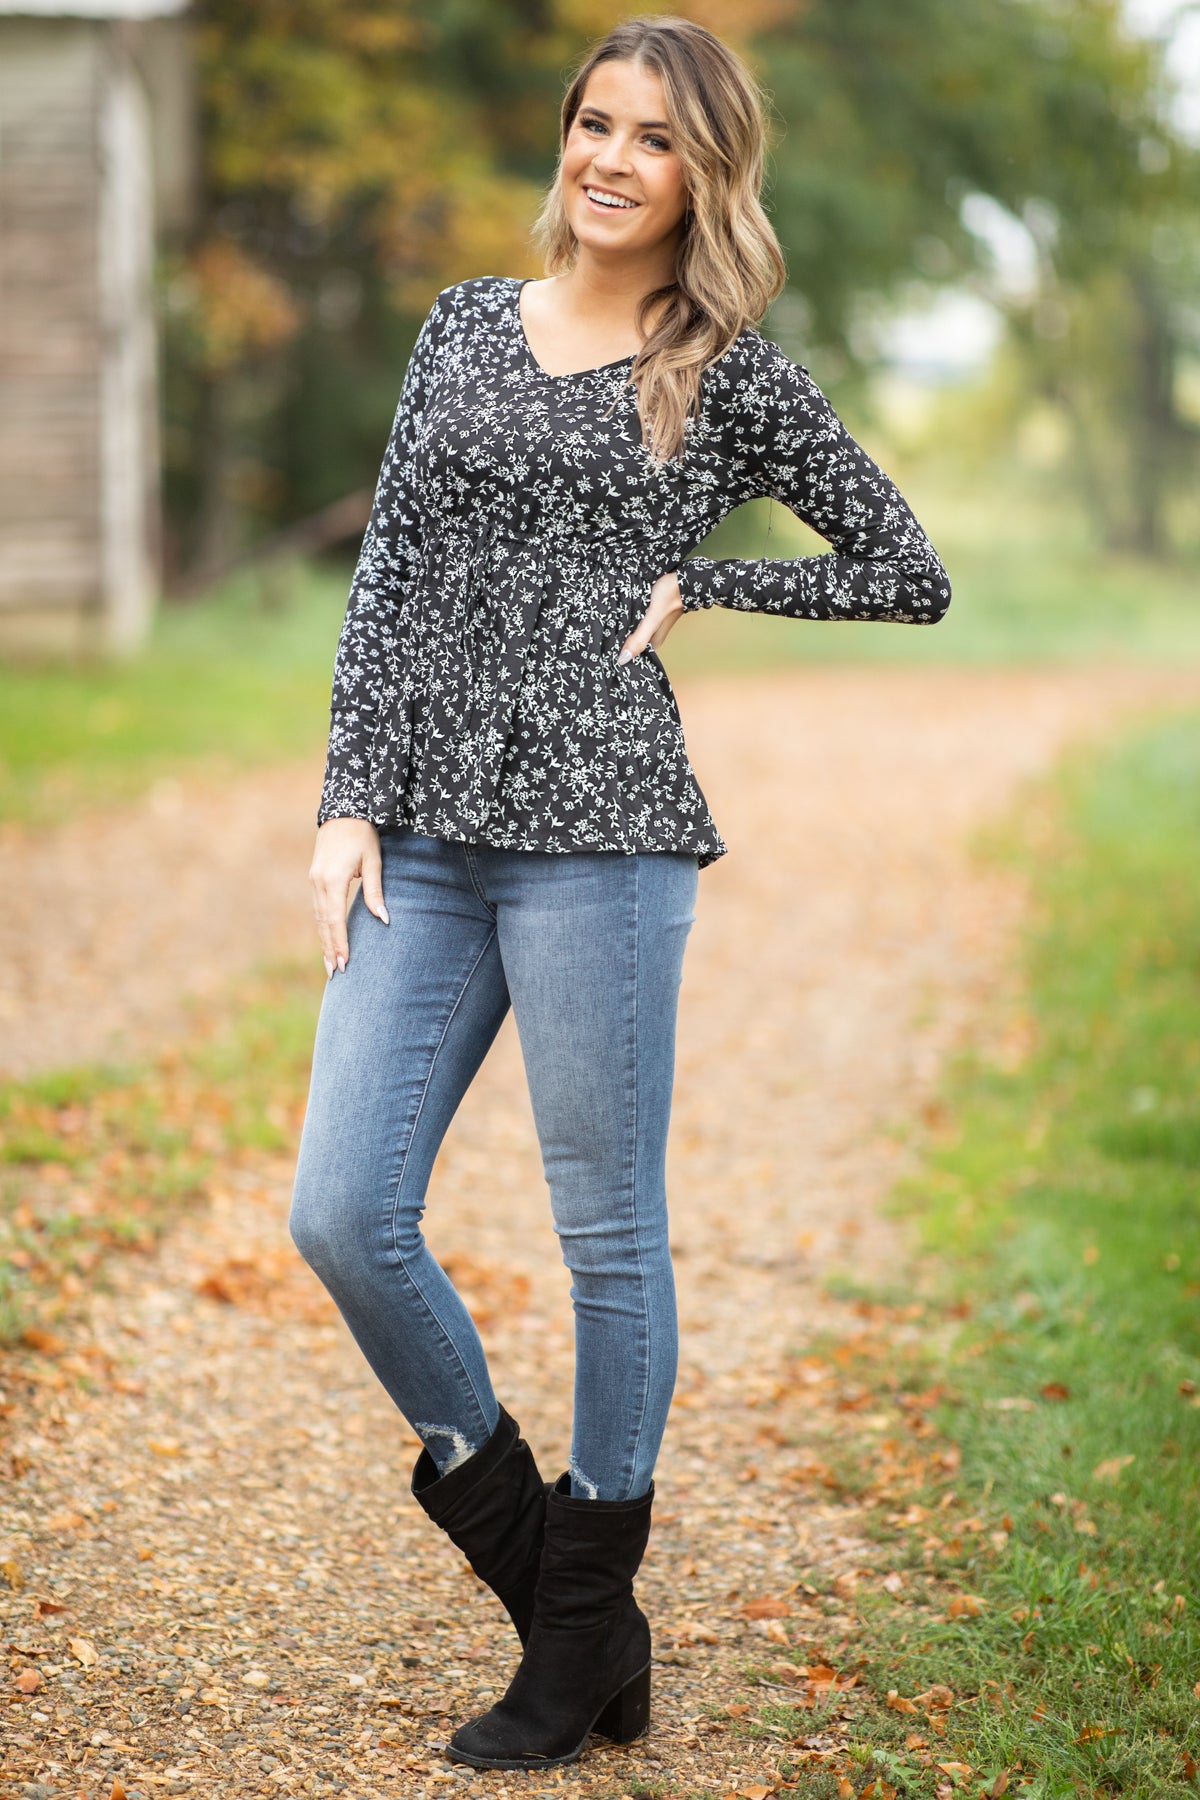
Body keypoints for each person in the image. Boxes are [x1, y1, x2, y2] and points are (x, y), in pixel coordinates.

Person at [288, 12, 951, 1775]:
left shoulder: (725, 370)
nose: (611, 158)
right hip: (426, 841)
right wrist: (349, 798)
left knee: (604, 1233)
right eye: (596, 122)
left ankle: (581, 1624)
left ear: (701, 173)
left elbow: (909, 569)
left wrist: (716, 582)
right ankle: (560, 1590)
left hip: (607, 841)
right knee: (342, 1211)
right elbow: (394, 570)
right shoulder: (458, 327)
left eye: (655, 138)